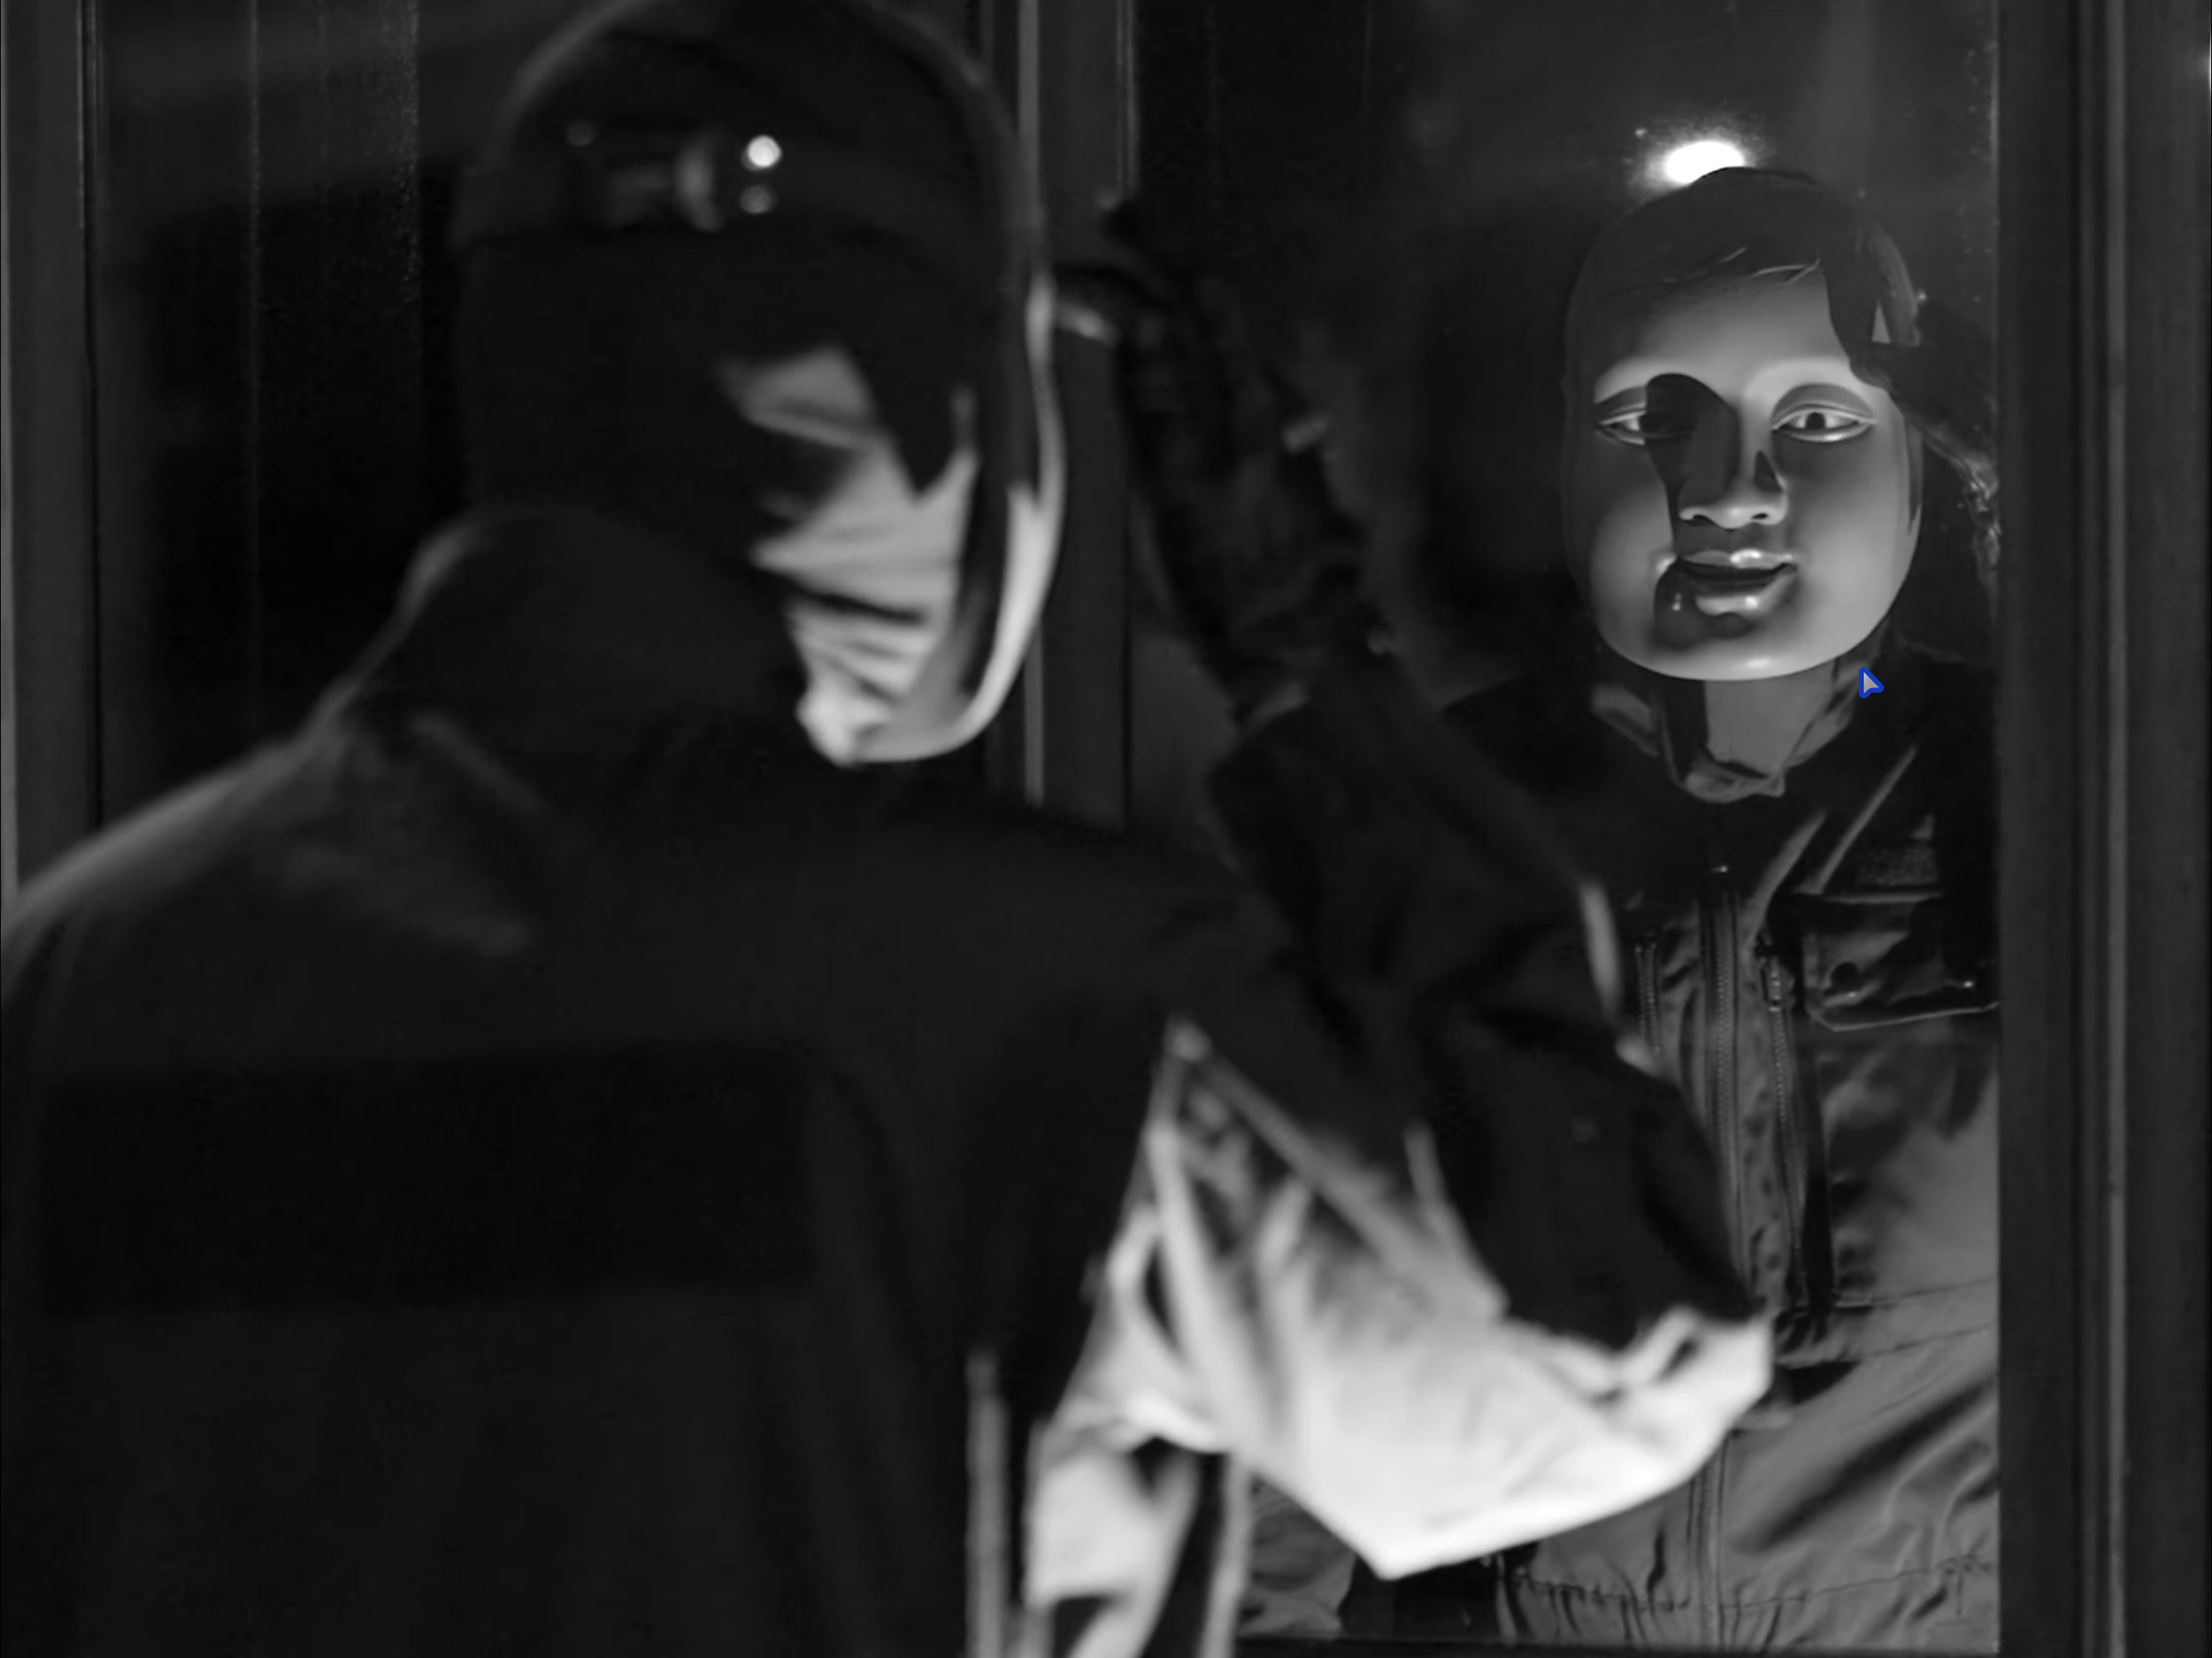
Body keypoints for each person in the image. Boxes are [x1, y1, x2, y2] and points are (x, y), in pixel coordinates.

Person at [0, 5, 1770, 1656]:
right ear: (960, 410)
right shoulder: (1056, 998)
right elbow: (1601, 1363)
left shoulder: (69, 980)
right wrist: (1305, 654)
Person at [1429, 167, 1998, 1649]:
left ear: (1921, 461)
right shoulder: (1449, 816)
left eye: (1816, 421)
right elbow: (1286, 1275)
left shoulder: (2033, 791)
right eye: (1648, 418)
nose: (1728, 486)